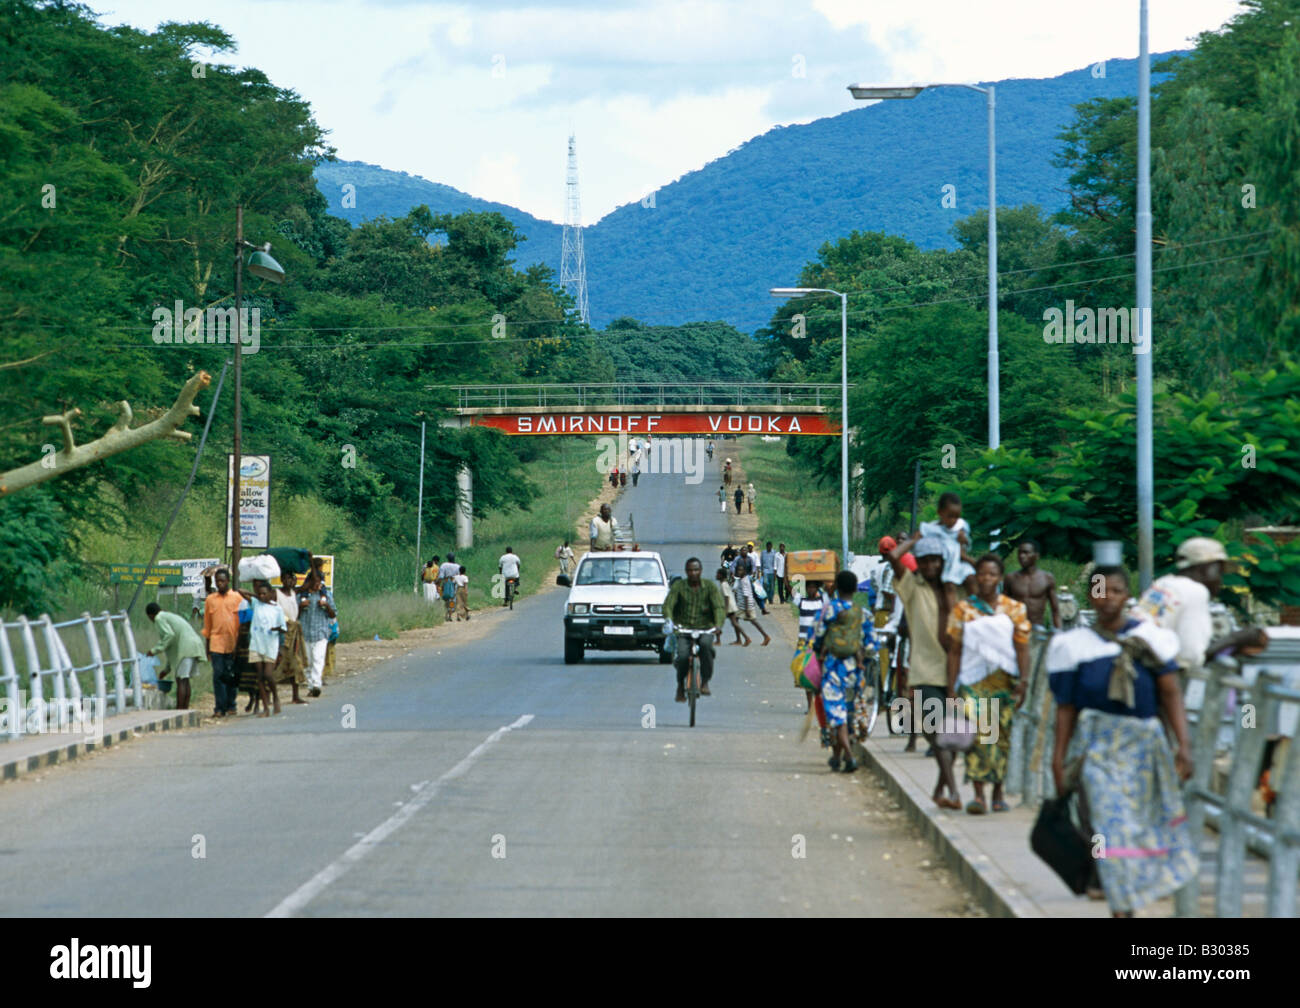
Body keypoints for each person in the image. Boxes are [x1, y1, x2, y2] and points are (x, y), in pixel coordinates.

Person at [1048, 565, 1198, 917]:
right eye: (1100, 591)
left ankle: (1126, 893)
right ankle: (1119, 900)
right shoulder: (1073, 646)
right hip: (1097, 748)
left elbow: (1171, 692)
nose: (1107, 598)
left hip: (1144, 747)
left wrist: (1184, 745)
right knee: (1105, 823)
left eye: (1115, 590)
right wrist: (1058, 758)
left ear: (1126, 596)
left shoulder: (1149, 639)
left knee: (1137, 827)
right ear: (1090, 596)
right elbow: (1065, 709)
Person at [945, 554, 1032, 814]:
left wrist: (1024, 681)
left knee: (1001, 736)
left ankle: (997, 792)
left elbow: (1022, 647)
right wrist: (951, 687)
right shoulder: (963, 609)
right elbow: (955, 650)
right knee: (978, 736)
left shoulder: (1014, 609)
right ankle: (978, 794)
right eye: (982, 574)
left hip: (1005, 681)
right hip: (972, 681)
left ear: (1000, 578)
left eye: (992, 574)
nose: (986, 579)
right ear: (976, 577)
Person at [888, 533, 962, 810]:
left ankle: (940, 788)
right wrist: (915, 539)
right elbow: (894, 557)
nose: (931, 566)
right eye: (926, 560)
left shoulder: (952, 590)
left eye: (936, 560)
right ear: (918, 562)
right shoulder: (912, 587)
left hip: (955, 672)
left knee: (954, 739)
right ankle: (953, 792)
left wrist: (960, 548)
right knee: (938, 733)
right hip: (925, 671)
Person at [810, 569, 877, 773]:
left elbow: (817, 637)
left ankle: (848, 755)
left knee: (836, 716)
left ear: (836, 588)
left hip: (832, 669)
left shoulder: (828, 611)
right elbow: (872, 646)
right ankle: (836, 757)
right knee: (847, 714)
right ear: (856, 589)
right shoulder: (863, 614)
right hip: (855, 672)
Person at [664, 557, 728, 703]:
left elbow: (718, 607)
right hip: (683, 629)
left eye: (696, 570)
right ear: (686, 571)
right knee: (682, 655)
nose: (693, 573)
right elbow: (669, 604)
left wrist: (718, 625)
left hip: (705, 628)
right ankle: (680, 686)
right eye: (690, 570)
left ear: (701, 571)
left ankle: (705, 681)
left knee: (706, 648)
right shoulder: (679, 586)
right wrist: (669, 620)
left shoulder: (710, 587)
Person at [145, 602, 207, 710]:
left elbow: (169, 635)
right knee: (185, 679)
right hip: (194, 645)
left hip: (186, 646)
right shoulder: (168, 616)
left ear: (150, 615)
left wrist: (154, 650)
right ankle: (184, 709)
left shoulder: (159, 619)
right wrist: (166, 670)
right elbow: (172, 647)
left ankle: (179, 710)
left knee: (181, 680)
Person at [920, 492, 977, 607]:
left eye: (957, 516)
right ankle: (952, 614)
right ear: (940, 513)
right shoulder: (932, 529)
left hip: (958, 561)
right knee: (949, 585)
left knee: (971, 577)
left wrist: (964, 540)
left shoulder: (960, 527)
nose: (954, 520)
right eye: (950, 516)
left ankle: (976, 607)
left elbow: (965, 547)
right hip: (943, 563)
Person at [201, 567, 243, 717]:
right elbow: (207, 625)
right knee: (218, 675)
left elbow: (242, 623)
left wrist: (241, 645)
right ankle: (219, 707)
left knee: (231, 676)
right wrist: (207, 647)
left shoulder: (237, 598)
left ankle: (231, 705)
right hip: (216, 643)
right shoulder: (210, 600)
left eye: (223, 581)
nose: (220, 584)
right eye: (217, 581)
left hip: (233, 643)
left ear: (228, 581)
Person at [248, 581, 287, 717]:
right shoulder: (256, 603)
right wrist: (256, 595)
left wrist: (277, 630)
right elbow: (240, 591)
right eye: (260, 594)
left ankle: (275, 696)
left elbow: (283, 628)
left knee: (268, 675)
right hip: (256, 644)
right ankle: (265, 707)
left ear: (271, 594)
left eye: (265, 593)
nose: (262, 596)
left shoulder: (277, 609)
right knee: (259, 676)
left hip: (270, 644)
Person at [1004, 540, 1062, 631]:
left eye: (1026, 553)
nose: (1021, 556)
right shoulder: (1011, 578)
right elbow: (1003, 607)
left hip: (1038, 628)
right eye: (1019, 553)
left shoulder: (1047, 578)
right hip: (1016, 628)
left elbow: (1055, 610)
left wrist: (1059, 632)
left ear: (1036, 556)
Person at [297, 570, 336, 698]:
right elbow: (294, 615)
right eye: (313, 582)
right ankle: (311, 685)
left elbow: (333, 614)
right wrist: (301, 606)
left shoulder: (326, 595)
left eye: (318, 582)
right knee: (307, 661)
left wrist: (326, 606)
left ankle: (316, 685)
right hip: (305, 632)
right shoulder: (301, 596)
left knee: (318, 659)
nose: (316, 584)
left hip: (321, 632)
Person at [274, 571, 308, 705]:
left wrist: (311, 562)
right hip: (282, 631)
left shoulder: (294, 593)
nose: (290, 581)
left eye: (292, 578)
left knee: (295, 662)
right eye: (287, 578)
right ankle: (272, 695)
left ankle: (295, 695)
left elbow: (310, 583)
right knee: (279, 662)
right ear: (282, 579)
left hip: (294, 632)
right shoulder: (276, 593)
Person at [731, 554, 772, 646]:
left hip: (745, 606)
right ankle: (743, 639)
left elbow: (746, 595)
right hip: (743, 605)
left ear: (744, 571)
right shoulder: (742, 579)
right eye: (738, 570)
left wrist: (746, 609)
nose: (739, 572)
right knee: (741, 621)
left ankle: (747, 638)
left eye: (741, 570)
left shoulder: (744, 581)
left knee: (739, 621)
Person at [716, 567, 749, 646]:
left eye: (718, 574)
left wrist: (726, 610)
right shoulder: (724, 584)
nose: (716, 575)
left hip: (729, 607)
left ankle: (718, 641)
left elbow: (726, 597)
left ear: (721, 575)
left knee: (719, 622)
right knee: (735, 623)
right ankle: (741, 639)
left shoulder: (724, 585)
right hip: (731, 606)